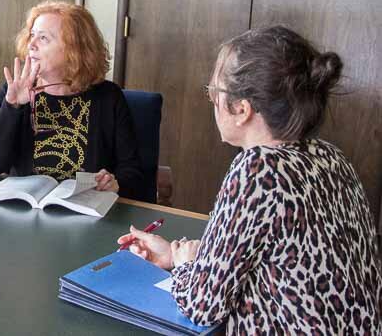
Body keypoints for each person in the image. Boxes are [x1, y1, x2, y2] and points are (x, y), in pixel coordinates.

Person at [118, 26, 381, 333]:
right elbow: (284, 255)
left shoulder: (258, 169)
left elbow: (201, 305)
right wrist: (181, 256)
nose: (212, 101)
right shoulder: (329, 155)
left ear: (241, 109)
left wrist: (187, 266)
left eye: (213, 92)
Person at [0, 0, 153, 201]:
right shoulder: (14, 90)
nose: (31, 45)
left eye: (43, 38)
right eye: (32, 35)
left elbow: (133, 174)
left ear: (74, 50)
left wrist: (115, 182)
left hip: (86, 215)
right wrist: (13, 106)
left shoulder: (108, 97)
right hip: (24, 212)